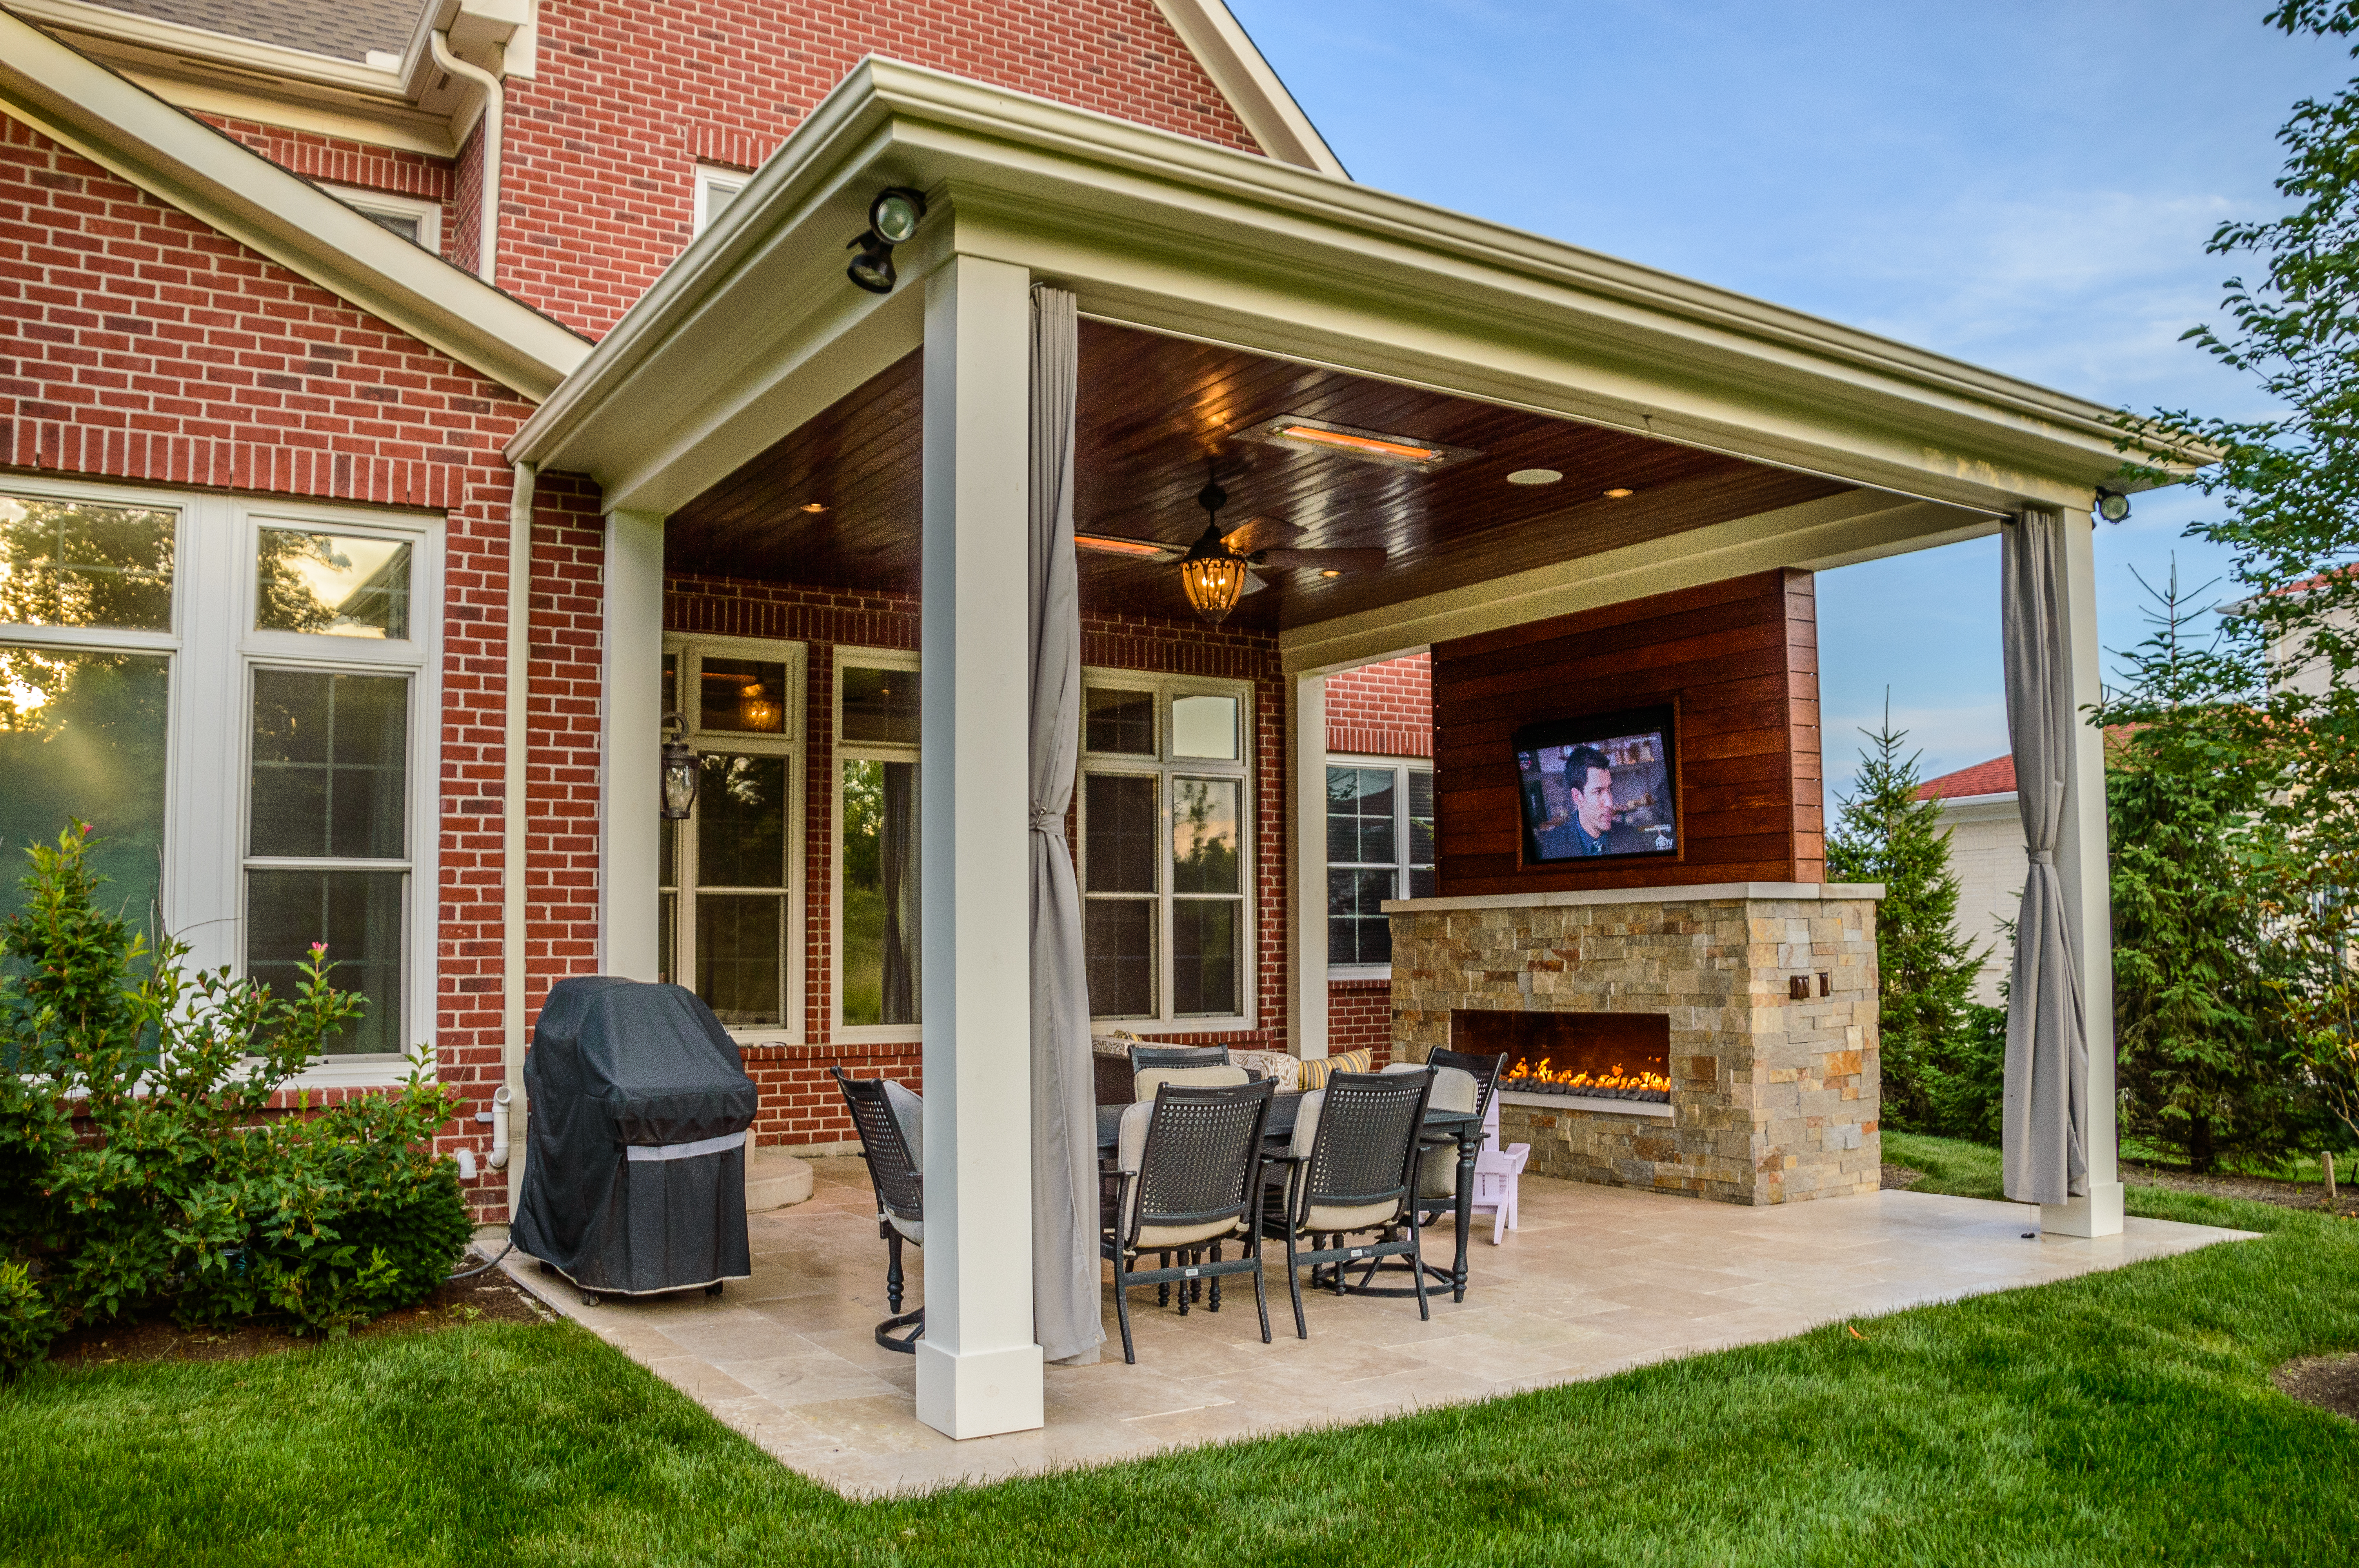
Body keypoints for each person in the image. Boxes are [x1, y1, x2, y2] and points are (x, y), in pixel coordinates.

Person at [1533, 744, 1651, 858]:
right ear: (1577, 797)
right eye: (1598, 792)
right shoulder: (1554, 845)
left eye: (1610, 790)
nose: (1610, 803)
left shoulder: (1632, 838)